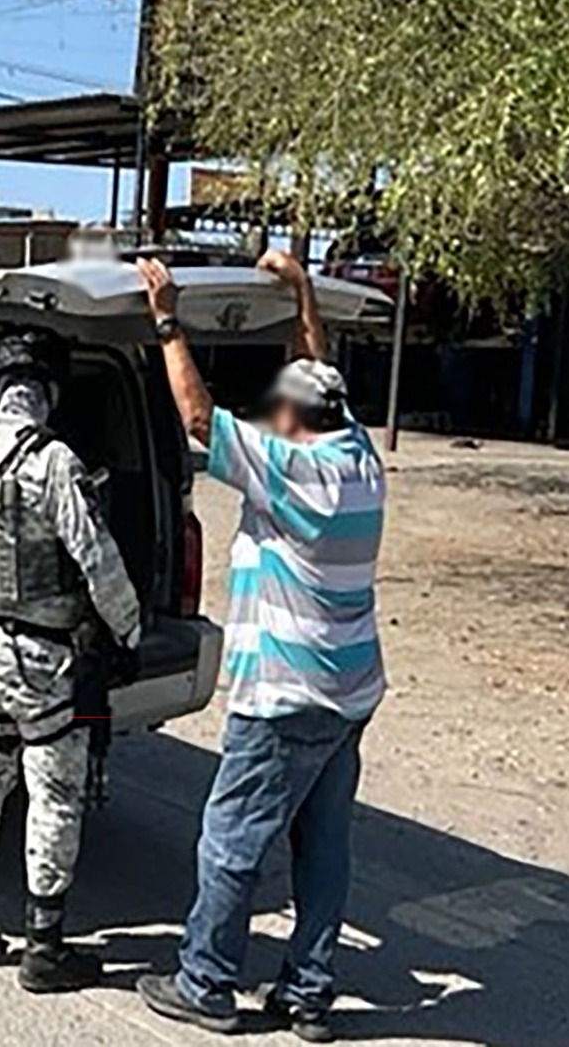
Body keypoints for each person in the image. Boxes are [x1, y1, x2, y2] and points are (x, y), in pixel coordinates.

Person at [134, 251, 387, 1042]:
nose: (270, 418)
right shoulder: (357, 456)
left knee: (232, 840)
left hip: (286, 693)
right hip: (348, 692)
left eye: (278, 411)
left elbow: (199, 421)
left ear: (295, 424)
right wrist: (302, 293)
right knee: (324, 845)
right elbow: (316, 370)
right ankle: (307, 992)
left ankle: (205, 982)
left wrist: (168, 322)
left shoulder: (292, 473)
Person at [0, 327, 143, 994]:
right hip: (41, 659)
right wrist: (128, 632)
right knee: (54, 793)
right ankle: (44, 948)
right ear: (48, 391)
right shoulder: (54, 461)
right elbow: (97, 559)